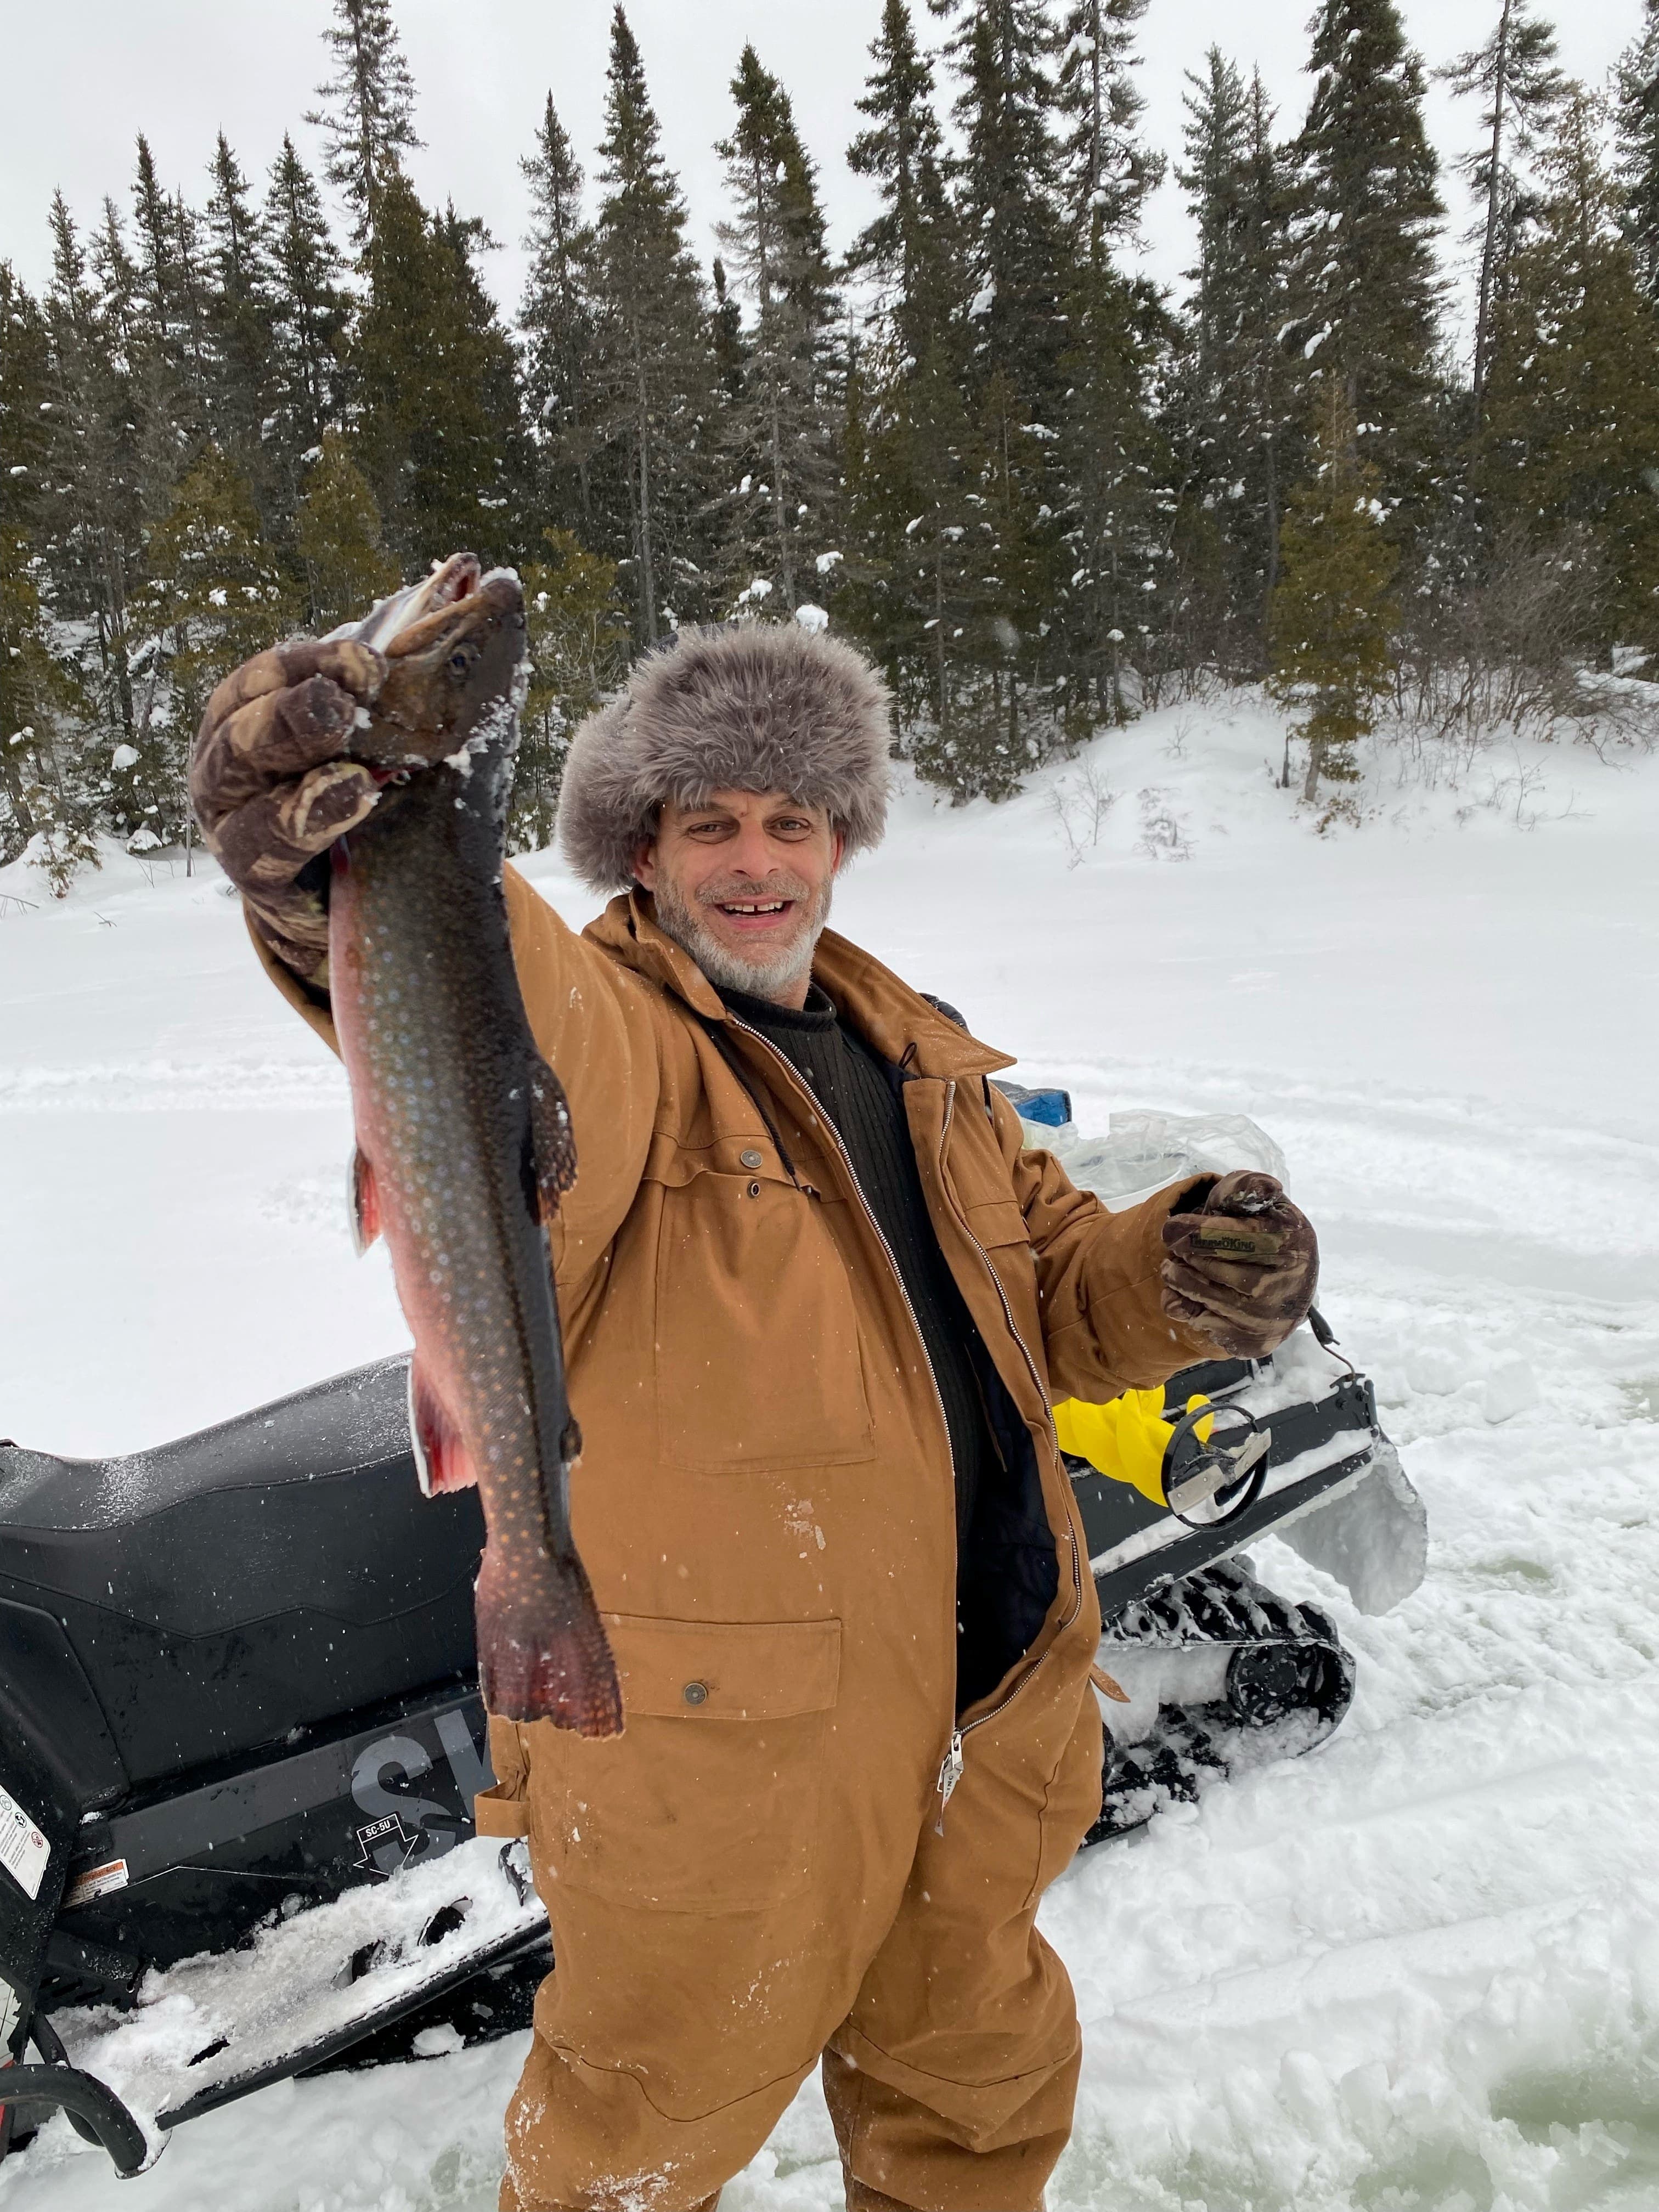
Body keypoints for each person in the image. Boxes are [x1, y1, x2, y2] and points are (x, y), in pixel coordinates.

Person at [190, 618, 1319, 2212]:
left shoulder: (922, 1056)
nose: (756, 860)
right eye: (708, 821)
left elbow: (1054, 1293)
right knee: (627, 2161)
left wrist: (1185, 1268)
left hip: (982, 1711)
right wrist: (341, 873)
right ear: (639, 849)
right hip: (722, 1767)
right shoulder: (625, 1041)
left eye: (792, 820)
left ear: (843, 840)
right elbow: (492, 1004)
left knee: (977, 2119)